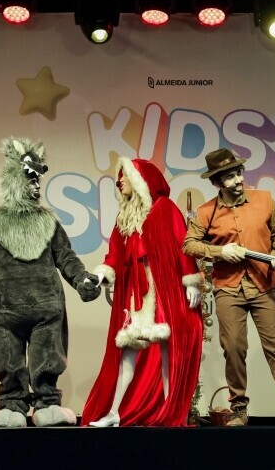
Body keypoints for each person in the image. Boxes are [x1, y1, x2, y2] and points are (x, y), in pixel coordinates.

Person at [0, 137, 99, 428]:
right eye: (30, 180)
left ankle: (47, 403)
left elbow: (66, 257)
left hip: (46, 306)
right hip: (1, 307)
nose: (36, 186)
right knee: (6, 359)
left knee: (48, 357)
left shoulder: (49, 221)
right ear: (14, 182)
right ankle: (12, 404)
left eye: (38, 182)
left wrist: (83, 280)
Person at [182, 148, 275, 427]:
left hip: (264, 284)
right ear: (217, 183)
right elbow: (189, 244)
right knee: (234, 347)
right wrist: (220, 252)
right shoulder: (206, 212)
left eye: (239, 173)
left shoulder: (264, 200)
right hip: (228, 288)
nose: (238, 180)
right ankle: (239, 409)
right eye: (230, 177)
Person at [82, 157, 204, 427]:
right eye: (119, 177)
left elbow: (182, 245)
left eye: (125, 176)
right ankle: (114, 412)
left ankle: (173, 409)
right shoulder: (124, 217)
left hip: (163, 292)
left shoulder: (164, 209)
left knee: (166, 352)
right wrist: (102, 274)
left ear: (140, 180)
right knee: (127, 351)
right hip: (137, 295)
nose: (120, 181)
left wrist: (191, 282)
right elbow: (114, 254)